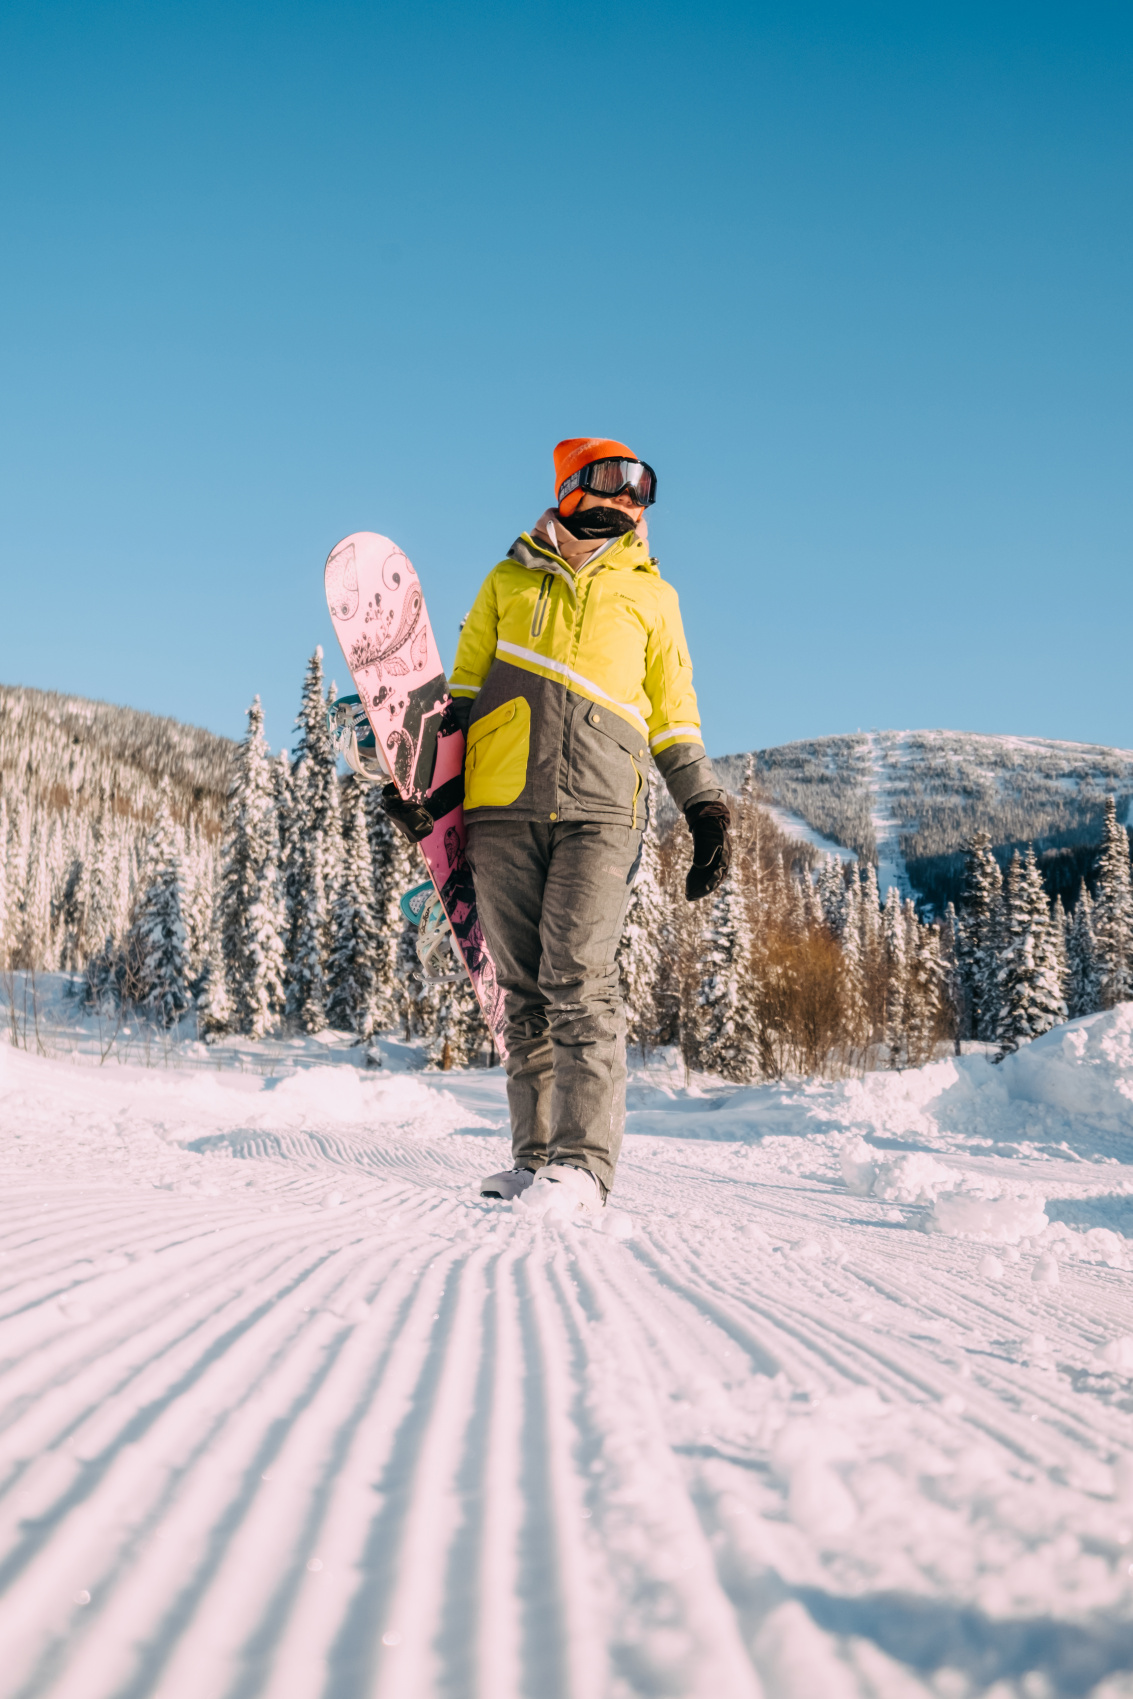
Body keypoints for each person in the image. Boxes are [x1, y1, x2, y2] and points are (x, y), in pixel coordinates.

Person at [446, 438, 731, 1216]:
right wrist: (428, 790)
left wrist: (703, 806)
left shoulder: (652, 597)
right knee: (522, 992)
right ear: (570, 485)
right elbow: (461, 697)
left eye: (642, 487)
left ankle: (580, 1165)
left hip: (602, 808)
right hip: (500, 805)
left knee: (577, 977)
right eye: (613, 479)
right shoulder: (507, 579)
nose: (628, 498)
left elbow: (674, 715)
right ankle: (534, 1160)